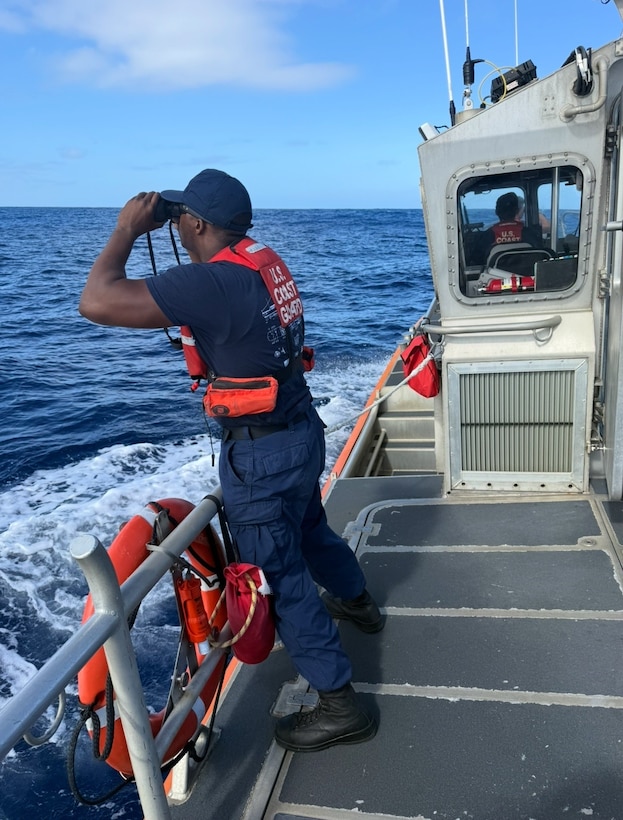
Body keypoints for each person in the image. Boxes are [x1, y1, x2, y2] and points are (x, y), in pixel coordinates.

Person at [78, 168, 383, 753]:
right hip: (299, 430)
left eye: (184, 223)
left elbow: (95, 300)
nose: (180, 233)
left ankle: (341, 703)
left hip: (262, 455)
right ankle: (357, 602)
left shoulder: (212, 284)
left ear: (196, 223)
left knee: (280, 574)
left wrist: (124, 229)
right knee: (311, 529)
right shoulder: (260, 260)